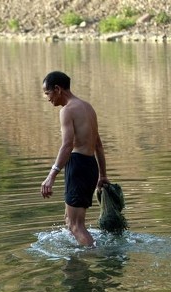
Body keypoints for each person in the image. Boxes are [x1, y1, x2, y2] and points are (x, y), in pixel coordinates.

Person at [40, 71, 109, 247]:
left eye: (47, 93)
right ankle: (78, 256)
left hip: (78, 166)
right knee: (70, 221)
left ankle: (96, 256)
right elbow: (99, 146)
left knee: (75, 225)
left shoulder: (67, 111)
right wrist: (102, 175)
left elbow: (67, 145)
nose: (47, 98)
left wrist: (51, 176)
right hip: (90, 166)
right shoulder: (87, 107)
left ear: (57, 89)